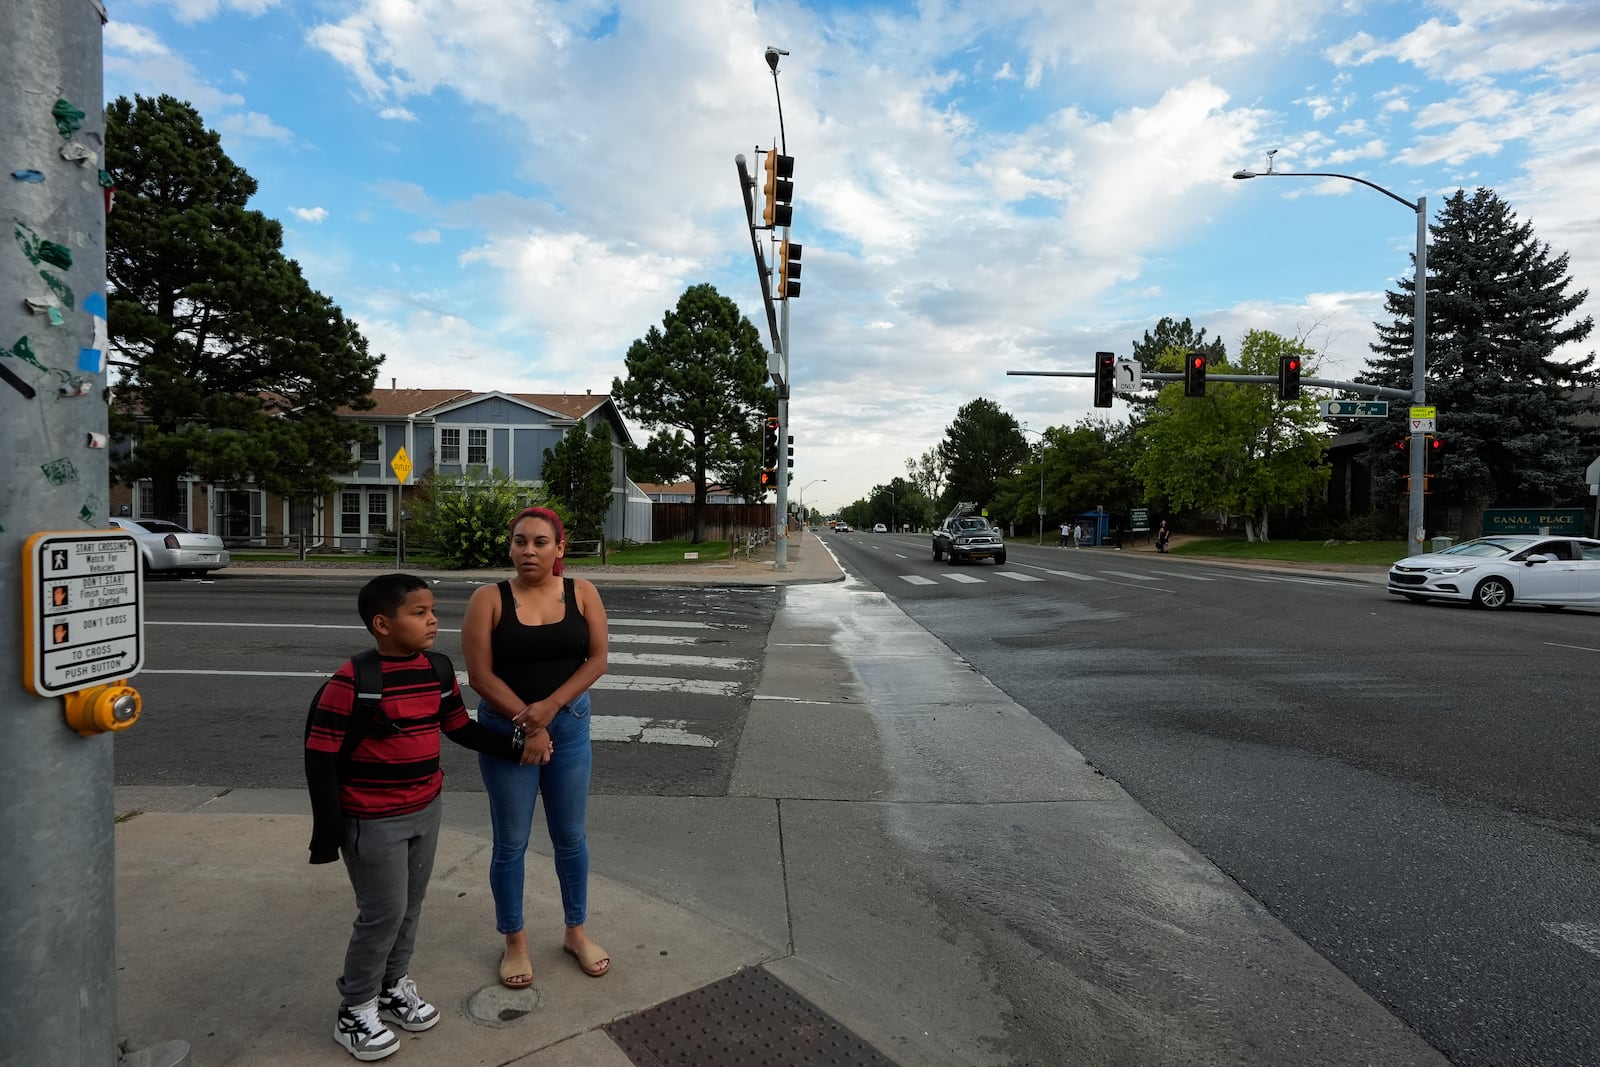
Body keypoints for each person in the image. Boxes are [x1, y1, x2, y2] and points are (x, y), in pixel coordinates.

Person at [306, 573, 534, 1062]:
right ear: (382, 624)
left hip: (426, 809)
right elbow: (320, 757)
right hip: (372, 819)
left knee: (409, 905)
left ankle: (391, 987)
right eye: (419, 613)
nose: (433, 621)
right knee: (382, 912)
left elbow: (458, 728)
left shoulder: (435, 669)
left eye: (433, 611)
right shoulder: (352, 683)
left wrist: (516, 745)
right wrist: (327, 833)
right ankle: (355, 1007)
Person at [463, 506, 611, 990]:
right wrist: (529, 724)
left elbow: (597, 659)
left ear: (559, 548)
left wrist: (548, 709)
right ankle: (515, 941)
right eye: (520, 541)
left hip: (568, 727)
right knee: (511, 842)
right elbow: (481, 677)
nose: (529, 550)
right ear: (510, 547)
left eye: (540, 542)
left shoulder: (582, 593)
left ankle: (576, 931)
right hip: (509, 732)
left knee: (570, 837)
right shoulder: (488, 599)